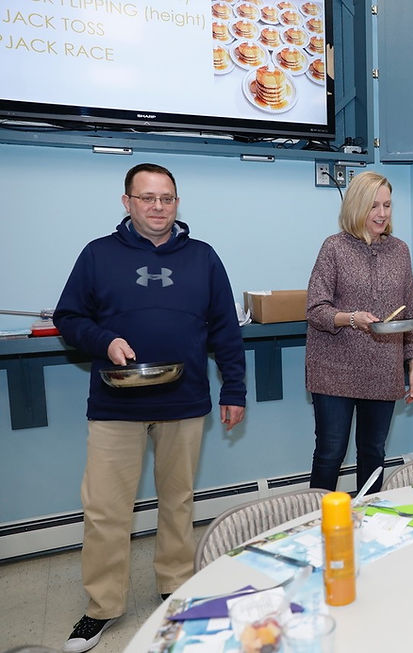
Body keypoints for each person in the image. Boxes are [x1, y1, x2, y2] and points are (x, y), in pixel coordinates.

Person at [53, 163, 246, 652]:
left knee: (178, 503)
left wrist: (234, 390)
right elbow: (68, 317)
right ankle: (101, 607)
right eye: (147, 198)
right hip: (116, 402)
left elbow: (225, 328)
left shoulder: (203, 257)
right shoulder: (98, 255)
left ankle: (175, 587)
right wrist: (105, 340)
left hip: (185, 401)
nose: (158, 207)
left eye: (167, 198)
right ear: (127, 202)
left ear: (177, 202)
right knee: (105, 510)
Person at [306, 171, 413, 494]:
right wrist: (351, 318)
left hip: (383, 370)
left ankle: (370, 524)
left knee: (373, 453)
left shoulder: (401, 251)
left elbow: (410, 312)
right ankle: (318, 523)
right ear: (356, 207)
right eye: (374, 206)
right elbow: (315, 309)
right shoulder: (334, 248)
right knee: (330, 453)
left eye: (387, 205)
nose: (382, 214)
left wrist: (412, 366)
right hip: (334, 372)